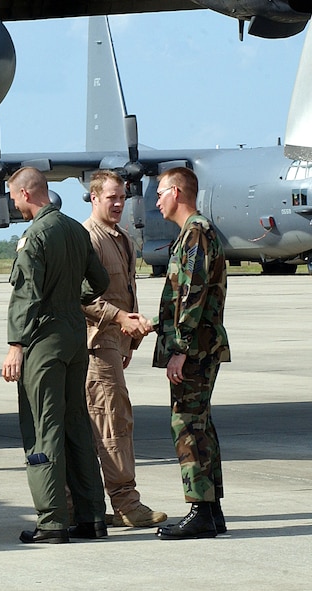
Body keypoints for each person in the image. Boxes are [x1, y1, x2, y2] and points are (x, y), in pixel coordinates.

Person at [1, 167, 109, 544]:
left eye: (13, 197)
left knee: (42, 426)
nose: (13, 203)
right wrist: (70, 300)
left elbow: (26, 294)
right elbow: (101, 282)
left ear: (27, 194)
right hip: (74, 338)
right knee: (77, 425)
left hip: (43, 342)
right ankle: (92, 516)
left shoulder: (35, 237)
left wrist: (16, 344)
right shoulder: (76, 230)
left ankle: (52, 521)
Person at [81, 171, 167, 528]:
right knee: (112, 421)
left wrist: (129, 340)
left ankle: (98, 503)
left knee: (110, 419)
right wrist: (120, 322)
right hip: (96, 343)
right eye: (111, 198)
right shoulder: (88, 239)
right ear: (94, 198)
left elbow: (126, 290)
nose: (118, 204)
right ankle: (125, 503)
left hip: (115, 343)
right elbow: (83, 297)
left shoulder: (123, 238)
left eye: (122, 198)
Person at [153, 167, 230, 540]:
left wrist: (179, 348)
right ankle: (211, 511)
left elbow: (193, 293)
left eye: (160, 193)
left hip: (195, 347)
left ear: (177, 192)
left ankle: (200, 509)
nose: (156, 201)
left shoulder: (196, 232)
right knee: (199, 423)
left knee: (186, 423)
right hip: (199, 343)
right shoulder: (193, 233)